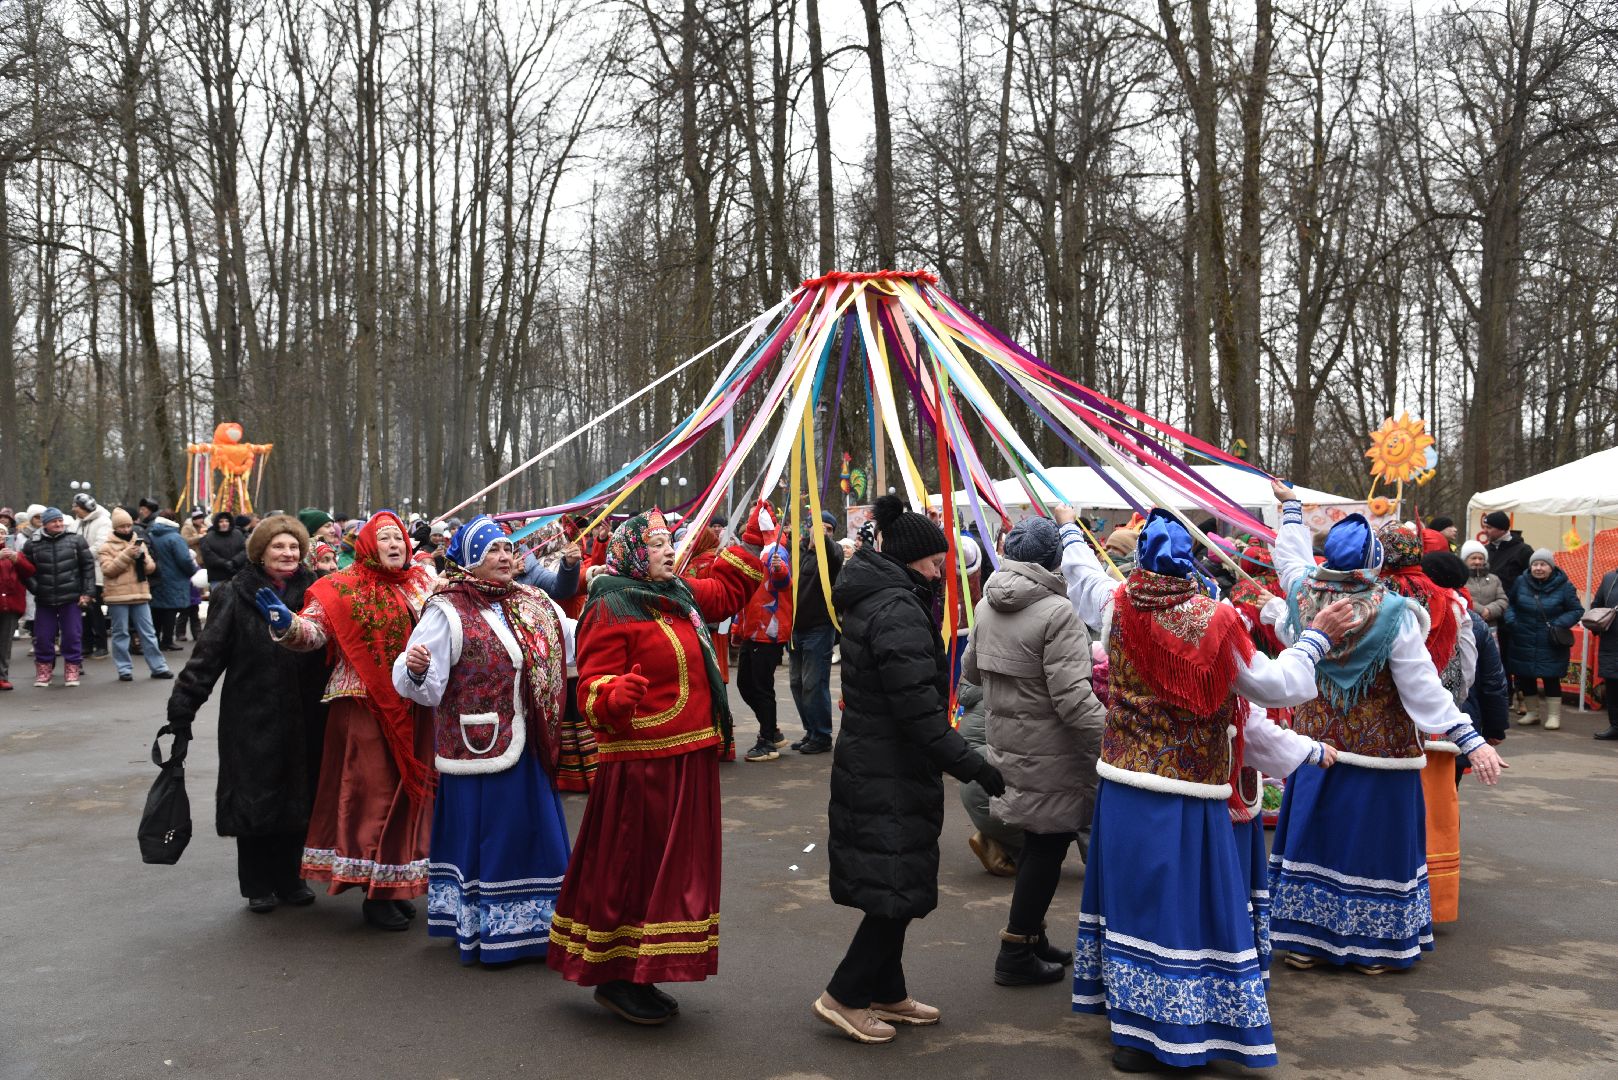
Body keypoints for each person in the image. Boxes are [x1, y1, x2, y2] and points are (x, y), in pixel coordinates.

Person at [1059, 501, 1350, 1072]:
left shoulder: (1117, 606)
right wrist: (1314, 639)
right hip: (1188, 789)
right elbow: (1275, 686)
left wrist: (1071, 529)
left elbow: (1081, 574)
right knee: (1181, 905)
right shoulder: (1218, 622)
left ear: (1141, 559)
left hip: (1124, 785)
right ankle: (1183, 1030)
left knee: (1134, 903)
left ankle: (1133, 1034)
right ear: (1191, 561)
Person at [1268, 484, 1504, 980]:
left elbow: (1289, 558)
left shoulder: (1302, 594)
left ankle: (1307, 943)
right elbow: (1422, 689)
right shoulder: (1394, 613)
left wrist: (1290, 508)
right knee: (1370, 845)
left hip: (1318, 747)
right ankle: (1371, 946)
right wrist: (1469, 737)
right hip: (1381, 755)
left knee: (1317, 838)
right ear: (1373, 562)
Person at [547, 505, 764, 1024]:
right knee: (635, 869)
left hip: (687, 757)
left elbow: (728, 592)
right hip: (642, 767)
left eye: (671, 542)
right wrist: (614, 695)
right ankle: (618, 977)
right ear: (634, 553)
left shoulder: (677, 593)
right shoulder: (611, 604)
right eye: (660, 543)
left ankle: (646, 970)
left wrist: (753, 538)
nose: (672, 550)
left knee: (674, 873)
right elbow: (592, 686)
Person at [815, 495, 1005, 1045]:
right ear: (911, 559)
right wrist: (975, 766)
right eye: (933, 561)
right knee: (894, 885)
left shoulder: (888, 597)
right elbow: (917, 712)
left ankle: (886, 988)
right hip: (887, 767)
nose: (941, 569)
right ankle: (844, 995)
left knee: (896, 881)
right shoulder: (896, 609)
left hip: (883, 762)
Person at [392, 515, 572, 965]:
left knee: (535, 835)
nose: (505, 557)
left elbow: (571, 638)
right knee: (496, 836)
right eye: (493, 550)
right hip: (479, 747)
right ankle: (491, 932)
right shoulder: (447, 609)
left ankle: (542, 928)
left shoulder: (533, 599)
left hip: (528, 743)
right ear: (470, 559)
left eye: (508, 549)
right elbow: (423, 684)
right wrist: (415, 667)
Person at [260, 511, 437, 930]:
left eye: (399, 538)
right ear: (367, 545)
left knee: (407, 800)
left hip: (415, 704)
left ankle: (393, 885)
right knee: (372, 800)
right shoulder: (340, 588)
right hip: (362, 706)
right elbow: (312, 634)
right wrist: (287, 626)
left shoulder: (424, 582)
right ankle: (373, 893)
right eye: (385, 538)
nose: (395, 545)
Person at [962, 515, 1104, 988]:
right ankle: (1015, 951)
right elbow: (1072, 701)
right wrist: (1117, 737)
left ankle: (1033, 938)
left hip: (1010, 747)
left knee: (1036, 841)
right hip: (1053, 753)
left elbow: (973, 674)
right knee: (1048, 845)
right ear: (1052, 560)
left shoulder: (986, 603)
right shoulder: (1058, 612)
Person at [164, 515, 331, 913]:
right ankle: (257, 883)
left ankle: (292, 878)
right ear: (260, 551)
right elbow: (208, 655)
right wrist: (183, 707)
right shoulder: (237, 592)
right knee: (255, 797)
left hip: (307, 711)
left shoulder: (317, 591)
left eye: (294, 547)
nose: (288, 554)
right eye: (279, 546)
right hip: (252, 712)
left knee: (300, 793)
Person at [1504, 549, 1583, 730]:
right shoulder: (1521, 582)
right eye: (1535, 564)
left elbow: (1577, 610)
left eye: (1543, 564)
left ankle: (1554, 716)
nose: (1538, 568)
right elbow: (1511, 604)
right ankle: (1533, 713)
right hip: (1523, 636)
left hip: (1550, 639)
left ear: (1551, 567)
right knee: (1525, 676)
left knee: (1551, 677)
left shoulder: (1564, 586)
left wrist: (1559, 624)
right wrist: (1512, 621)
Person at [96, 508, 173, 682]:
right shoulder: (106, 546)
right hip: (118, 597)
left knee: (148, 633)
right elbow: (108, 570)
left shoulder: (139, 542)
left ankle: (158, 667)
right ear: (115, 527)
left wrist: (142, 558)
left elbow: (151, 568)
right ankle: (124, 669)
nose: (126, 529)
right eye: (122, 526)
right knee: (120, 633)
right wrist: (126, 555)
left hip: (140, 593)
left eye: (129, 525)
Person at [737, 525, 793, 762]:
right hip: (752, 630)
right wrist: (737, 627)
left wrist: (780, 570)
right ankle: (772, 729)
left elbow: (782, 579)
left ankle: (767, 740)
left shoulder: (775, 551)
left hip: (768, 631)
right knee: (745, 684)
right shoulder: (755, 556)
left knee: (761, 687)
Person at [789, 510, 843, 754]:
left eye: (830, 530)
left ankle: (822, 735)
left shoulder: (833, 553)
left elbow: (834, 553)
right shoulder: (798, 552)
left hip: (819, 628)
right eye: (820, 528)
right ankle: (810, 730)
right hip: (795, 629)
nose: (824, 532)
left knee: (814, 683)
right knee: (796, 683)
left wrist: (825, 539)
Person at [22, 508, 95, 687]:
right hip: (44, 599)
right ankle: (44, 670)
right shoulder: (33, 544)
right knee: (43, 637)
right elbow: (25, 571)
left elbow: (88, 568)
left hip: (71, 597)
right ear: (45, 523)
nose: (59, 524)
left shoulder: (76, 540)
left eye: (60, 520)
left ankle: (72, 669)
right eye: (54, 521)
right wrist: (36, 589)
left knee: (72, 635)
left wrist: (87, 593)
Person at [147, 510, 195, 651]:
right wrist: (193, 571)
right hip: (174, 578)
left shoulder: (151, 535)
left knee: (156, 610)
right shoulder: (175, 538)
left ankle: (154, 639)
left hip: (155, 577)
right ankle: (167, 640)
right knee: (170, 610)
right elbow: (184, 559)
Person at [72, 494, 112, 659]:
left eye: (76, 506)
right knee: (83, 609)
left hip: (95, 573)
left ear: (84, 508)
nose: (73, 509)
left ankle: (101, 644)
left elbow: (101, 545)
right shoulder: (77, 522)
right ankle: (86, 643)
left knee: (94, 610)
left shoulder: (103, 521)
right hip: (79, 572)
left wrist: (79, 555)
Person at [0, 524, 35, 689]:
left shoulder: (15, 553)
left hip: (11, 605)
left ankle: (2, 677)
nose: (0, 536)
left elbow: (30, 571)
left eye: (3, 533)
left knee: (5, 643)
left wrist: (17, 559)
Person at [1590, 565, 1618, 741]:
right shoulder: (1609, 578)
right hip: (1611, 643)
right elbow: (1597, 604)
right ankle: (1615, 726)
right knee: (1613, 686)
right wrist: (1597, 624)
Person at [1460, 540, 1508, 636]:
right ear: (1465, 560)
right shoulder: (1459, 579)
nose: (1477, 561)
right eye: (1473, 558)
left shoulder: (1494, 579)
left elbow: (1502, 600)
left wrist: (1490, 610)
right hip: (1467, 628)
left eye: (1481, 558)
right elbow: (1460, 599)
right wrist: (1481, 610)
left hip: (1490, 627)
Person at [200, 511, 248, 591]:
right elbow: (208, 555)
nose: (224, 523)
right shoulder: (209, 537)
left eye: (226, 521)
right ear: (216, 523)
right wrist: (224, 563)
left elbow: (245, 550)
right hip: (218, 576)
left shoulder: (238, 534)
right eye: (221, 521)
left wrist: (235, 561)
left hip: (237, 575)